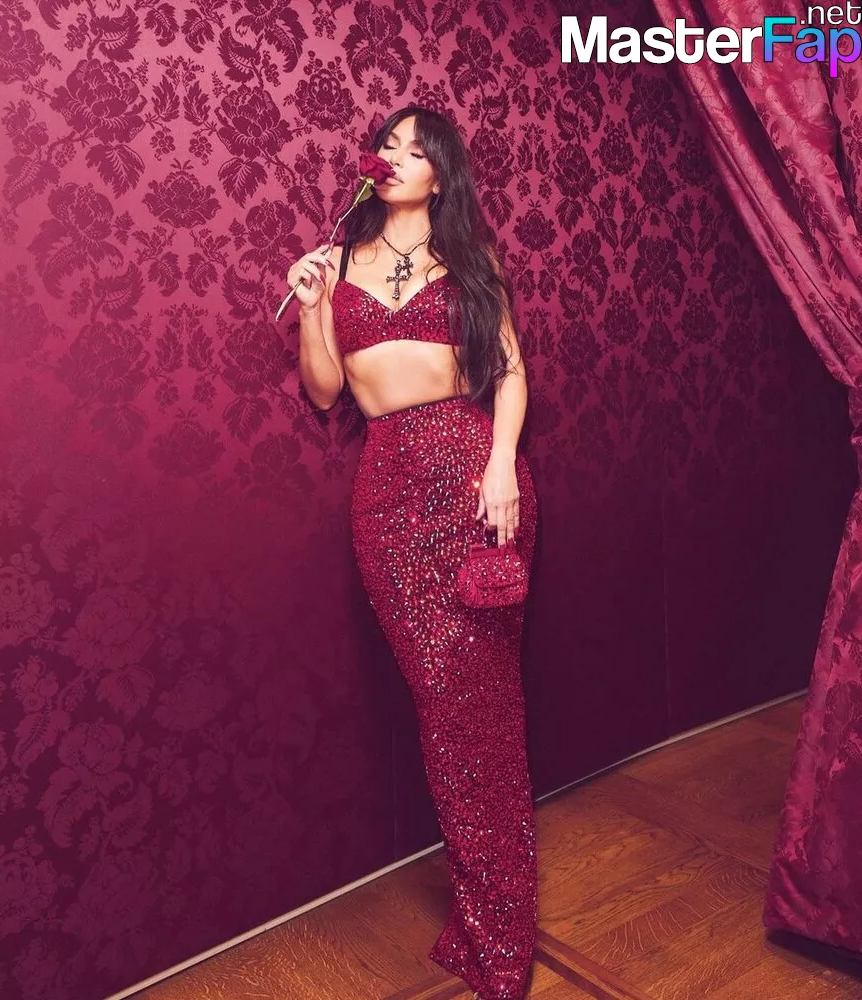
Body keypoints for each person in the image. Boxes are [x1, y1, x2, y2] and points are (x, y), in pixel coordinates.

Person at [285, 105, 539, 1000]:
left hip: (473, 478)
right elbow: (326, 392)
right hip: (388, 491)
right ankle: (483, 908)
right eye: (386, 144)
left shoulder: (470, 260)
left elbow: (508, 372)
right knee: (442, 709)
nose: (394, 157)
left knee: (481, 710)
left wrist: (501, 467)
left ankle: (499, 930)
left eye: (415, 149)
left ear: (441, 174)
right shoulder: (340, 260)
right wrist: (312, 308)